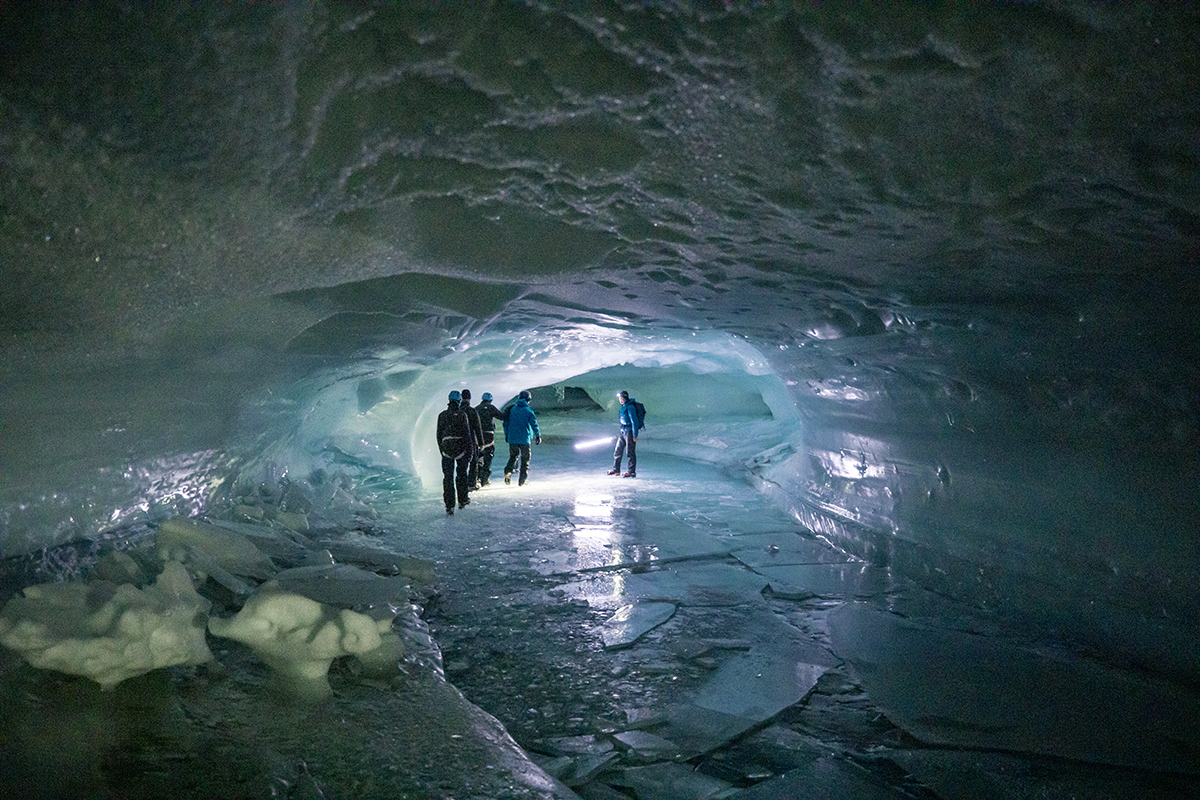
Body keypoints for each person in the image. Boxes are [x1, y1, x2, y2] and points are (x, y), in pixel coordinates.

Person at [437, 391, 476, 514]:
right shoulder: (462, 415)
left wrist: (442, 450)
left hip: (447, 449)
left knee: (448, 477)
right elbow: (467, 434)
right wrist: (470, 451)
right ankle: (463, 500)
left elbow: (438, 435)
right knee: (462, 475)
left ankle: (449, 506)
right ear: (459, 401)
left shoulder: (442, 415)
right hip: (461, 449)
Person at [501, 390, 541, 486]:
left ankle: (508, 473)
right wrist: (538, 435)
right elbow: (534, 424)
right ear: (528, 400)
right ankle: (522, 481)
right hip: (524, 439)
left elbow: (505, 424)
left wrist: (507, 436)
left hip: (513, 438)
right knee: (525, 459)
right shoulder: (528, 411)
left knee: (513, 457)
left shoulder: (512, 410)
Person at [474, 391, 505, 487]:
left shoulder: (477, 409)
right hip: (488, 436)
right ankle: (485, 478)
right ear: (490, 400)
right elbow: (501, 417)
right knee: (488, 457)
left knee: (479, 456)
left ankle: (478, 477)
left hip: (478, 436)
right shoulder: (491, 408)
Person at [609, 390, 640, 478]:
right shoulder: (623, 407)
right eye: (619, 398)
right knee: (618, 450)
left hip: (629, 431)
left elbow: (634, 421)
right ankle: (616, 469)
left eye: (621, 398)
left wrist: (635, 434)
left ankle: (632, 471)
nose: (620, 399)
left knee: (630, 452)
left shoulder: (630, 407)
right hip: (623, 431)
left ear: (624, 398)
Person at [459, 389, 485, 490]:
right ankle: (471, 483)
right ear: (469, 398)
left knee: (462, 464)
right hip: (471, 441)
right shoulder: (472, 411)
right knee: (473, 462)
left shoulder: (459, 410)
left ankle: (461, 484)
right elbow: (478, 428)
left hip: (459, 441)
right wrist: (481, 443)